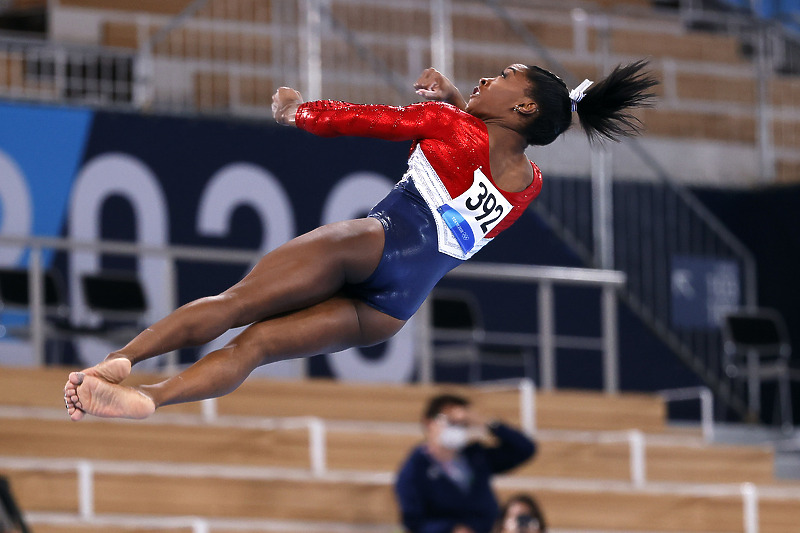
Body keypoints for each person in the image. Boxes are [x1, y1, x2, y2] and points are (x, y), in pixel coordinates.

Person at [63, 61, 657, 421]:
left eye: (501, 77)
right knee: (254, 349)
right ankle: (152, 400)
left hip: (375, 239)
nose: (485, 77)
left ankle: (119, 364)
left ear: (524, 105)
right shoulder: (530, 184)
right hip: (392, 309)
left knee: (235, 305)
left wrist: (300, 112)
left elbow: (372, 119)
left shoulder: (452, 125)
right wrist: (457, 100)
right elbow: (480, 157)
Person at [394, 394, 536, 533]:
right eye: (450, 421)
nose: (456, 428)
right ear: (429, 422)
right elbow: (413, 522)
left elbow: (525, 449)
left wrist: (485, 422)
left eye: (462, 424)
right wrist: (450, 529)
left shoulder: (475, 457)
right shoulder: (414, 469)